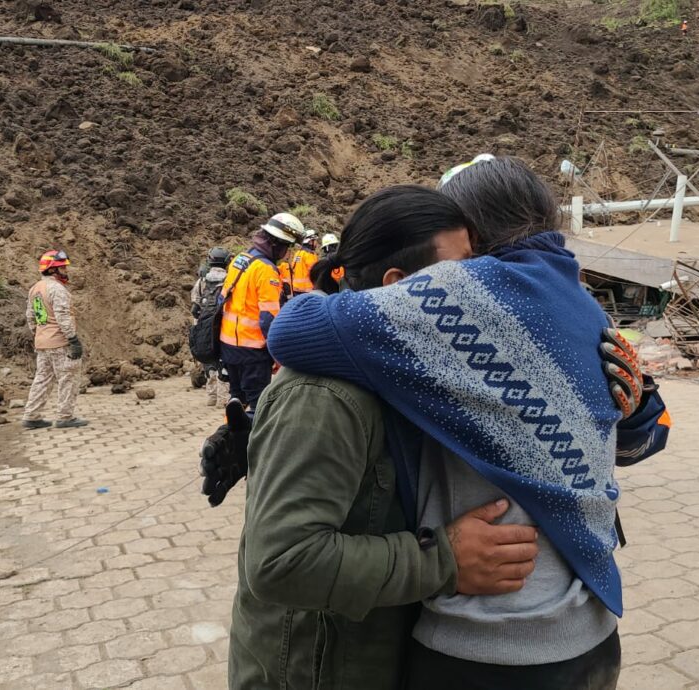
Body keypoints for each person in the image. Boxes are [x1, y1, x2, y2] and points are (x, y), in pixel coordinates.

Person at [267, 157, 647, 687]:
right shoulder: (582, 302)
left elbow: (291, 332)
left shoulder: (468, 295)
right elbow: (638, 434)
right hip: (592, 630)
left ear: (474, 231)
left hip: (486, 644)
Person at [229, 186, 542, 690]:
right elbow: (281, 562)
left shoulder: (411, 370)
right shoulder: (322, 395)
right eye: (460, 273)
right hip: (318, 670)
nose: (477, 289)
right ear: (399, 286)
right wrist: (444, 560)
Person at [219, 212, 303, 416]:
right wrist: (278, 354)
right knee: (258, 407)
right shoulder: (266, 270)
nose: (287, 253)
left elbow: (221, 300)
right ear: (277, 244)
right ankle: (251, 445)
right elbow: (269, 319)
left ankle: (227, 442)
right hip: (253, 351)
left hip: (229, 346)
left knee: (236, 402)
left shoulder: (241, 259)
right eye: (287, 247)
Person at [21, 250, 88, 430]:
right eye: (62, 267)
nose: (66, 270)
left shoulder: (35, 289)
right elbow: (62, 317)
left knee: (42, 379)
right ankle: (66, 417)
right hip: (60, 343)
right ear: (52, 270)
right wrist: (73, 340)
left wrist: (40, 334)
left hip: (43, 343)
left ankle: (31, 416)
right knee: (68, 377)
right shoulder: (57, 289)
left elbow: (31, 317)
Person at [191, 247, 231, 407]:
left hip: (204, 326)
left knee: (209, 361)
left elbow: (195, 305)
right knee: (223, 360)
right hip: (223, 325)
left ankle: (211, 396)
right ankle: (223, 399)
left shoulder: (202, 281)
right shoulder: (229, 280)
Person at [289, 229, 320, 295]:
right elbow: (316, 272)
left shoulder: (298, 253)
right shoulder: (309, 255)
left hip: (296, 288)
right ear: (310, 242)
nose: (316, 243)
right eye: (315, 241)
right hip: (307, 290)